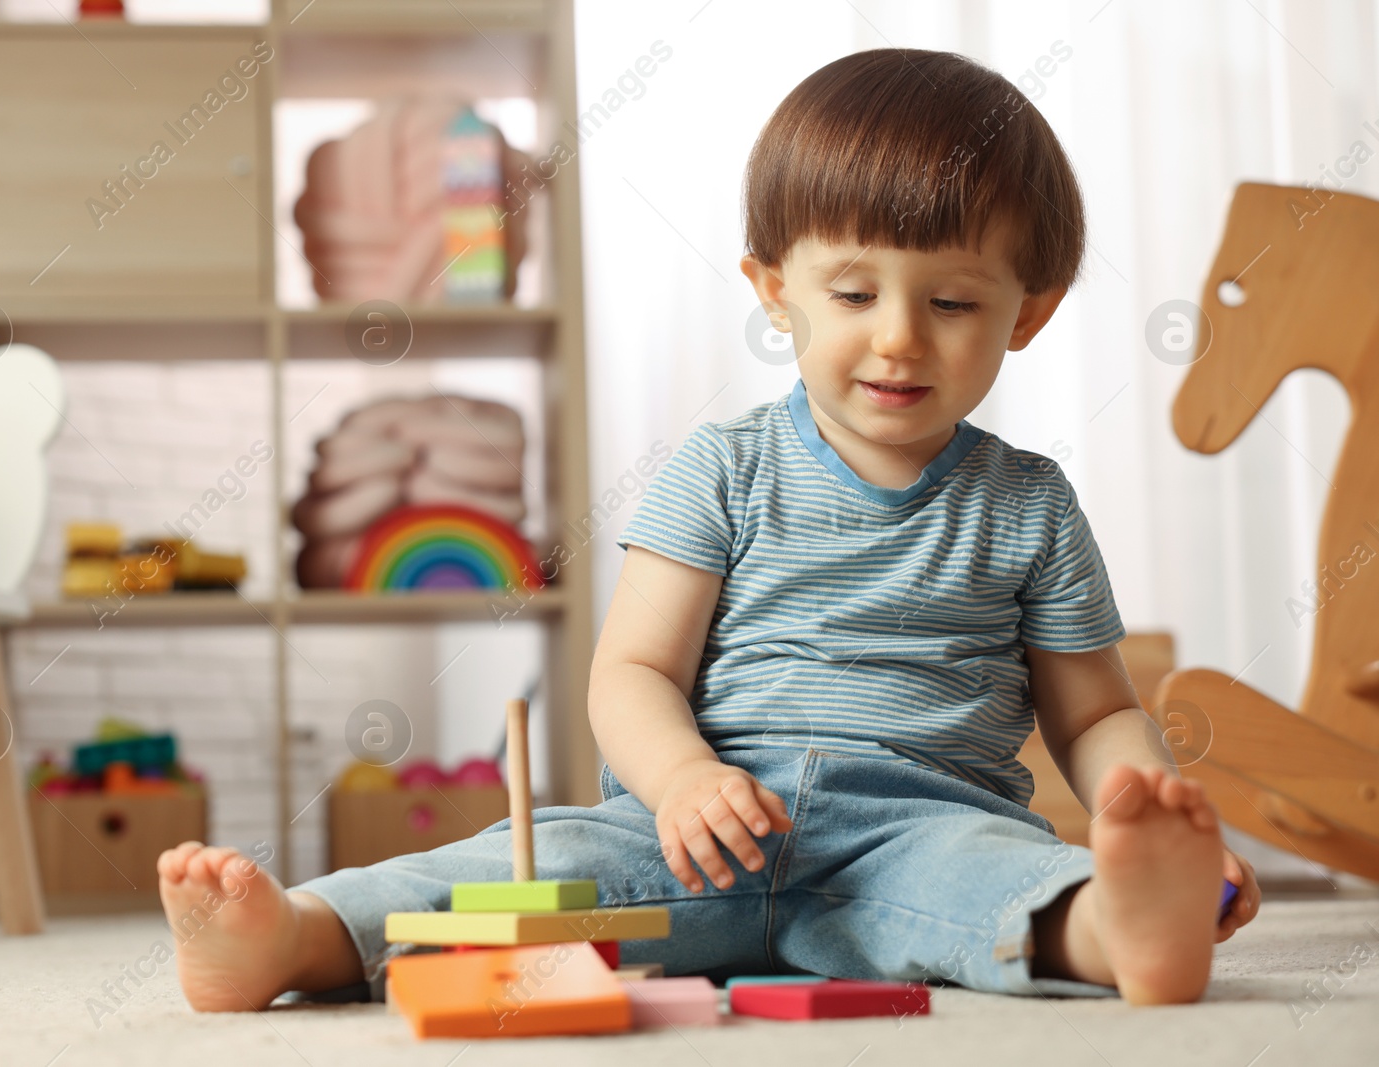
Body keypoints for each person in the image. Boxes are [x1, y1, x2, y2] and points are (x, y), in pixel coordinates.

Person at [156, 47, 1259, 1012]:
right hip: (697, 823)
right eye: (854, 293)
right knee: (526, 871)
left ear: (1028, 311)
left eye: (952, 303)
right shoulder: (723, 467)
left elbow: (1098, 707)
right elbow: (631, 668)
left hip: (921, 828)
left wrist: (1141, 804)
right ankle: (294, 936)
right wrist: (682, 777)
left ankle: (1126, 924)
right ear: (775, 290)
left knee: (1010, 882)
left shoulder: (1029, 503)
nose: (898, 340)